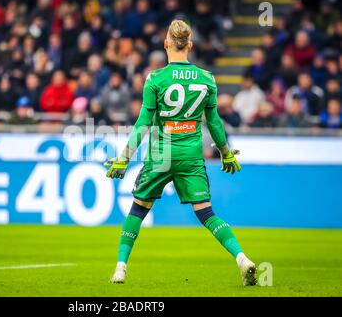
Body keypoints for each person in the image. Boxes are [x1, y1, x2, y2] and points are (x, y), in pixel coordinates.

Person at [105, 20, 257, 286]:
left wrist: (123, 158)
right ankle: (242, 259)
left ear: (166, 44)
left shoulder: (155, 79)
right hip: (190, 154)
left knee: (138, 209)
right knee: (206, 212)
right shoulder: (207, 79)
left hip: (161, 153)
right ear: (190, 45)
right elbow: (214, 123)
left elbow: (143, 124)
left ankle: (120, 268)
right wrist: (225, 152)